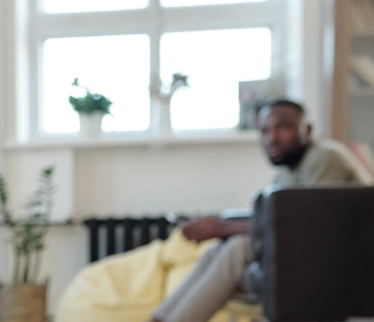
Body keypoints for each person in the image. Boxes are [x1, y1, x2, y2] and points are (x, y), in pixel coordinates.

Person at [151, 100, 372, 322]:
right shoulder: (284, 175)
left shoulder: (325, 157)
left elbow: (308, 226)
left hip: (343, 262)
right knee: (215, 251)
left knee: (239, 246)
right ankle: (160, 318)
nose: (272, 138)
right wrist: (218, 225)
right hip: (302, 259)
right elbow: (275, 223)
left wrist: (222, 227)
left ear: (307, 130)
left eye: (283, 127)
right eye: (265, 130)